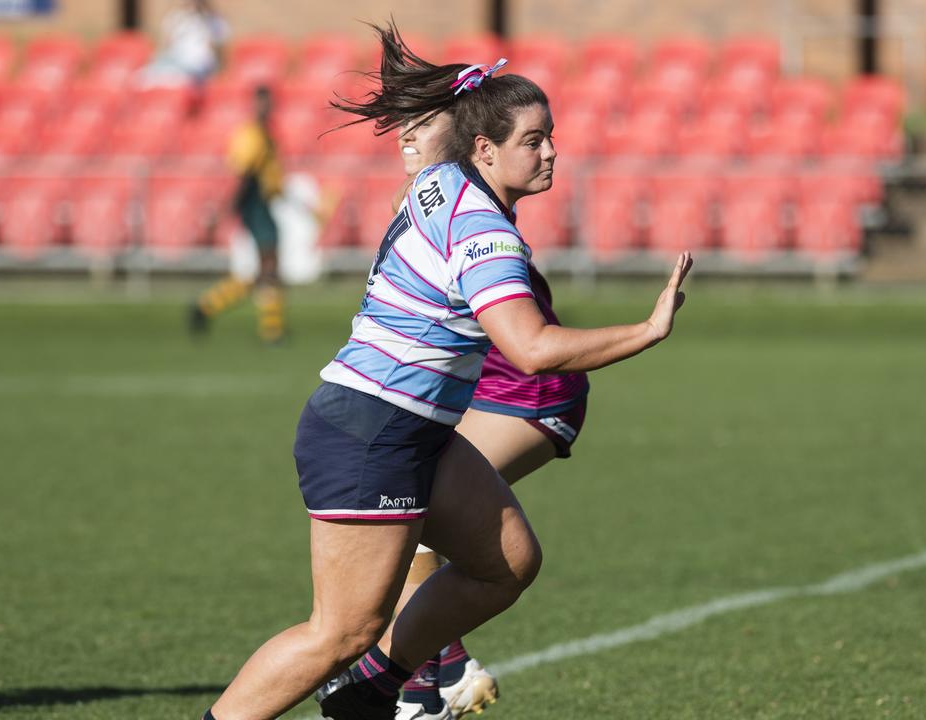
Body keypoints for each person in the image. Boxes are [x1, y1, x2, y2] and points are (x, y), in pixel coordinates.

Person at [203, 21, 693, 720]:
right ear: (484, 149)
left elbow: (437, 146)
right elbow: (530, 349)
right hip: (373, 429)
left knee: (508, 563)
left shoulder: (440, 183)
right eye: (534, 140)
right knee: (338, 632)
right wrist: (647, 330)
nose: (553, 151)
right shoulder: (484, 233)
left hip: (414, 429)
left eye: (552, 135)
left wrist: (459, 102)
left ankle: (368, 694)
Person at [388, 109, 590, 719]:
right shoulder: (438, 190)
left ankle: (429, 688)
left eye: (419, 124)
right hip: (492, 388)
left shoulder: (462, 195)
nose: (404, 135)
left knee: (403, 511)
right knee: (398, 516)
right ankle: (443, 673)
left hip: (530, 391)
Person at [190, 85, 286, 343]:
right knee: (269, 265)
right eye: (261, 103)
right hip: (253, 201)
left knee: (266, 268)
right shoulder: (251, 135)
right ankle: (271, 330)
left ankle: (207, 306)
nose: (265, 108)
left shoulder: (266, 132)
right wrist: (226, 209)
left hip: (262, 200)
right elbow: (243, 176)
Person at [138, 0, 229, 87]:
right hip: (175, 62)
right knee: (144, 76)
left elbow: (219, 47)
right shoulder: (175, 17)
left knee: (174, 78)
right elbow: (166, 44)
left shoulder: (211, 19)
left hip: (197, 66)